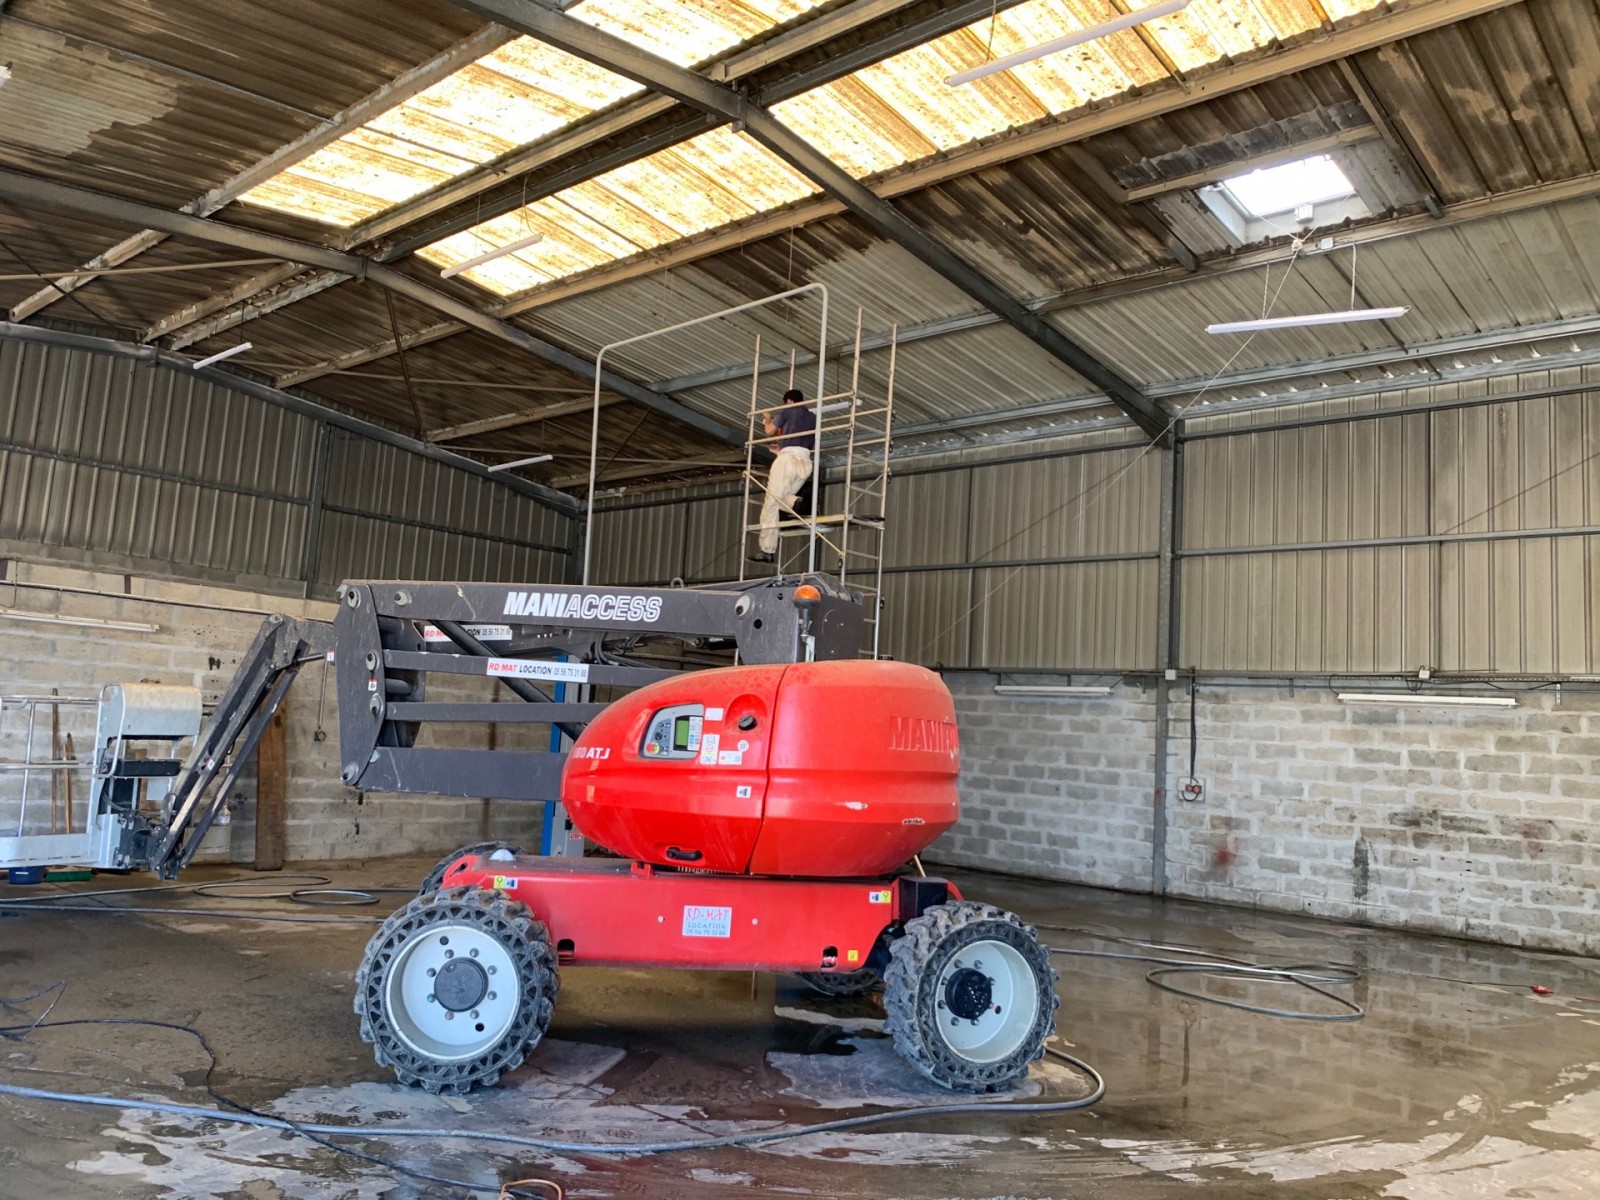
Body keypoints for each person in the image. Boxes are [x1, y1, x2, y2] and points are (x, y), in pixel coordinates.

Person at [755, 387, 816, 562]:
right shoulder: (812, 417)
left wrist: (766, 419)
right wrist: (780, 450)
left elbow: (769, 430)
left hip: (787, 460)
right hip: (804, 461)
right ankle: (795, 502)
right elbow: (799, 444)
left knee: (771, 503)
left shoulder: (788, 409)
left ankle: (767, 550)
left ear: (789, 400)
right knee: (782, 497)